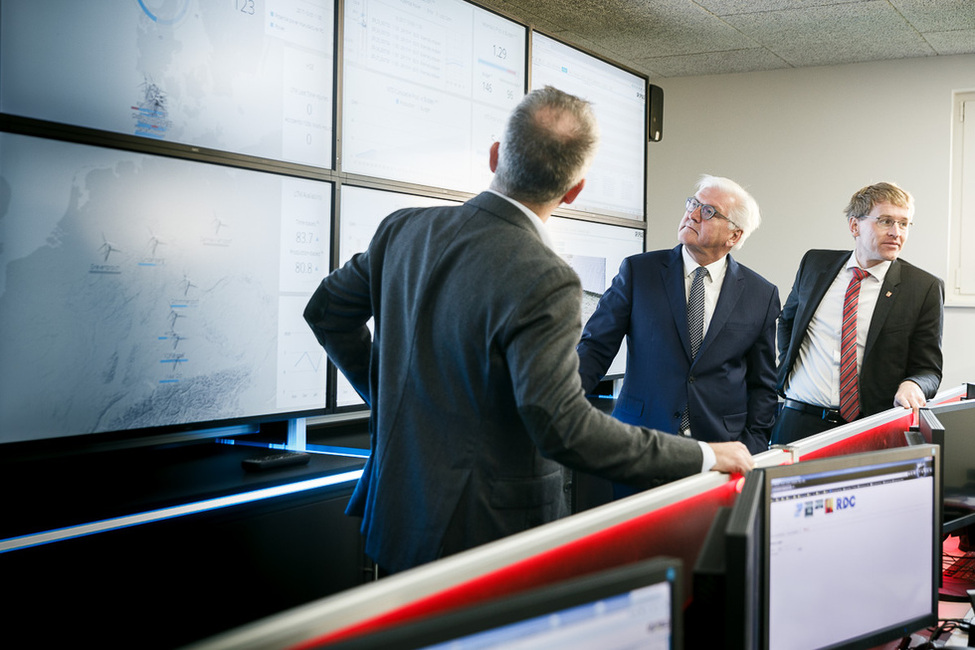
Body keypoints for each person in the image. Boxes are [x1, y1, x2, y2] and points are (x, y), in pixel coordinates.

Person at [303, 87, 754, 575]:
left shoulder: (403, 229)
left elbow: (326, 312)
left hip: (394, 509)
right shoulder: (545, 276)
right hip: (486, 537)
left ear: (496, 154)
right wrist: (706, 455)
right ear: (574, 189)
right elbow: (565, 430)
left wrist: (386, 394)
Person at [577, 175, 780, 460]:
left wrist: (753, 446)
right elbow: (595, 348)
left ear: (734, 235)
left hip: (720, 450)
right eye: (693, 203)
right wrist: (558, 406)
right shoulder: (639, 272)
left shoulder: (761, 294)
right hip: (639, 444)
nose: (693, 215)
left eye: (708, 211)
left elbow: (762, 385)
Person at [772, 181, 944, 445]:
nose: (896, 232)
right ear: (854, 225)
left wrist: (914, 385)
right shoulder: (815, 264)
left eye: (904, 223)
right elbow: (787, 321)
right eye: (885, 221)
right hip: (798, 420)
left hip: (869, 428)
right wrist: (788, 366)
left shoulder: (923, 288)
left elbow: (928, 370)